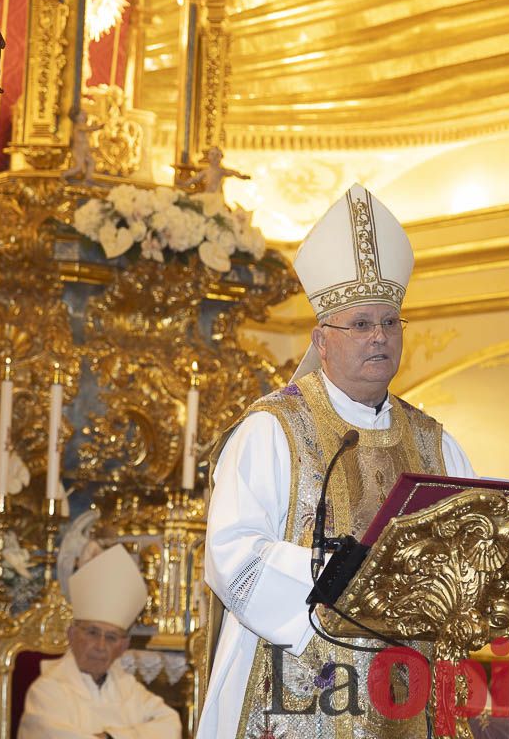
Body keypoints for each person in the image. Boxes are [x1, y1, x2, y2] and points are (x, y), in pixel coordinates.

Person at [198, 184, 477, 738]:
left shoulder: (434, 443)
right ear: (321, 340)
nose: (379, 337)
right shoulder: (274, 429)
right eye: (361, 324)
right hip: (300, 685)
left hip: (404, 686)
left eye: (390, 322)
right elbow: (232, 556)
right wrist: (338, 575)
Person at [18, 544, 182, 738]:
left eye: (111, 637)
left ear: (122, 647)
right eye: (92, 633)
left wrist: (112, 737)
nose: (100, 646)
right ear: (71, 635)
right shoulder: (47, 690)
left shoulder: (128, 688)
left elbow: (171, 725)